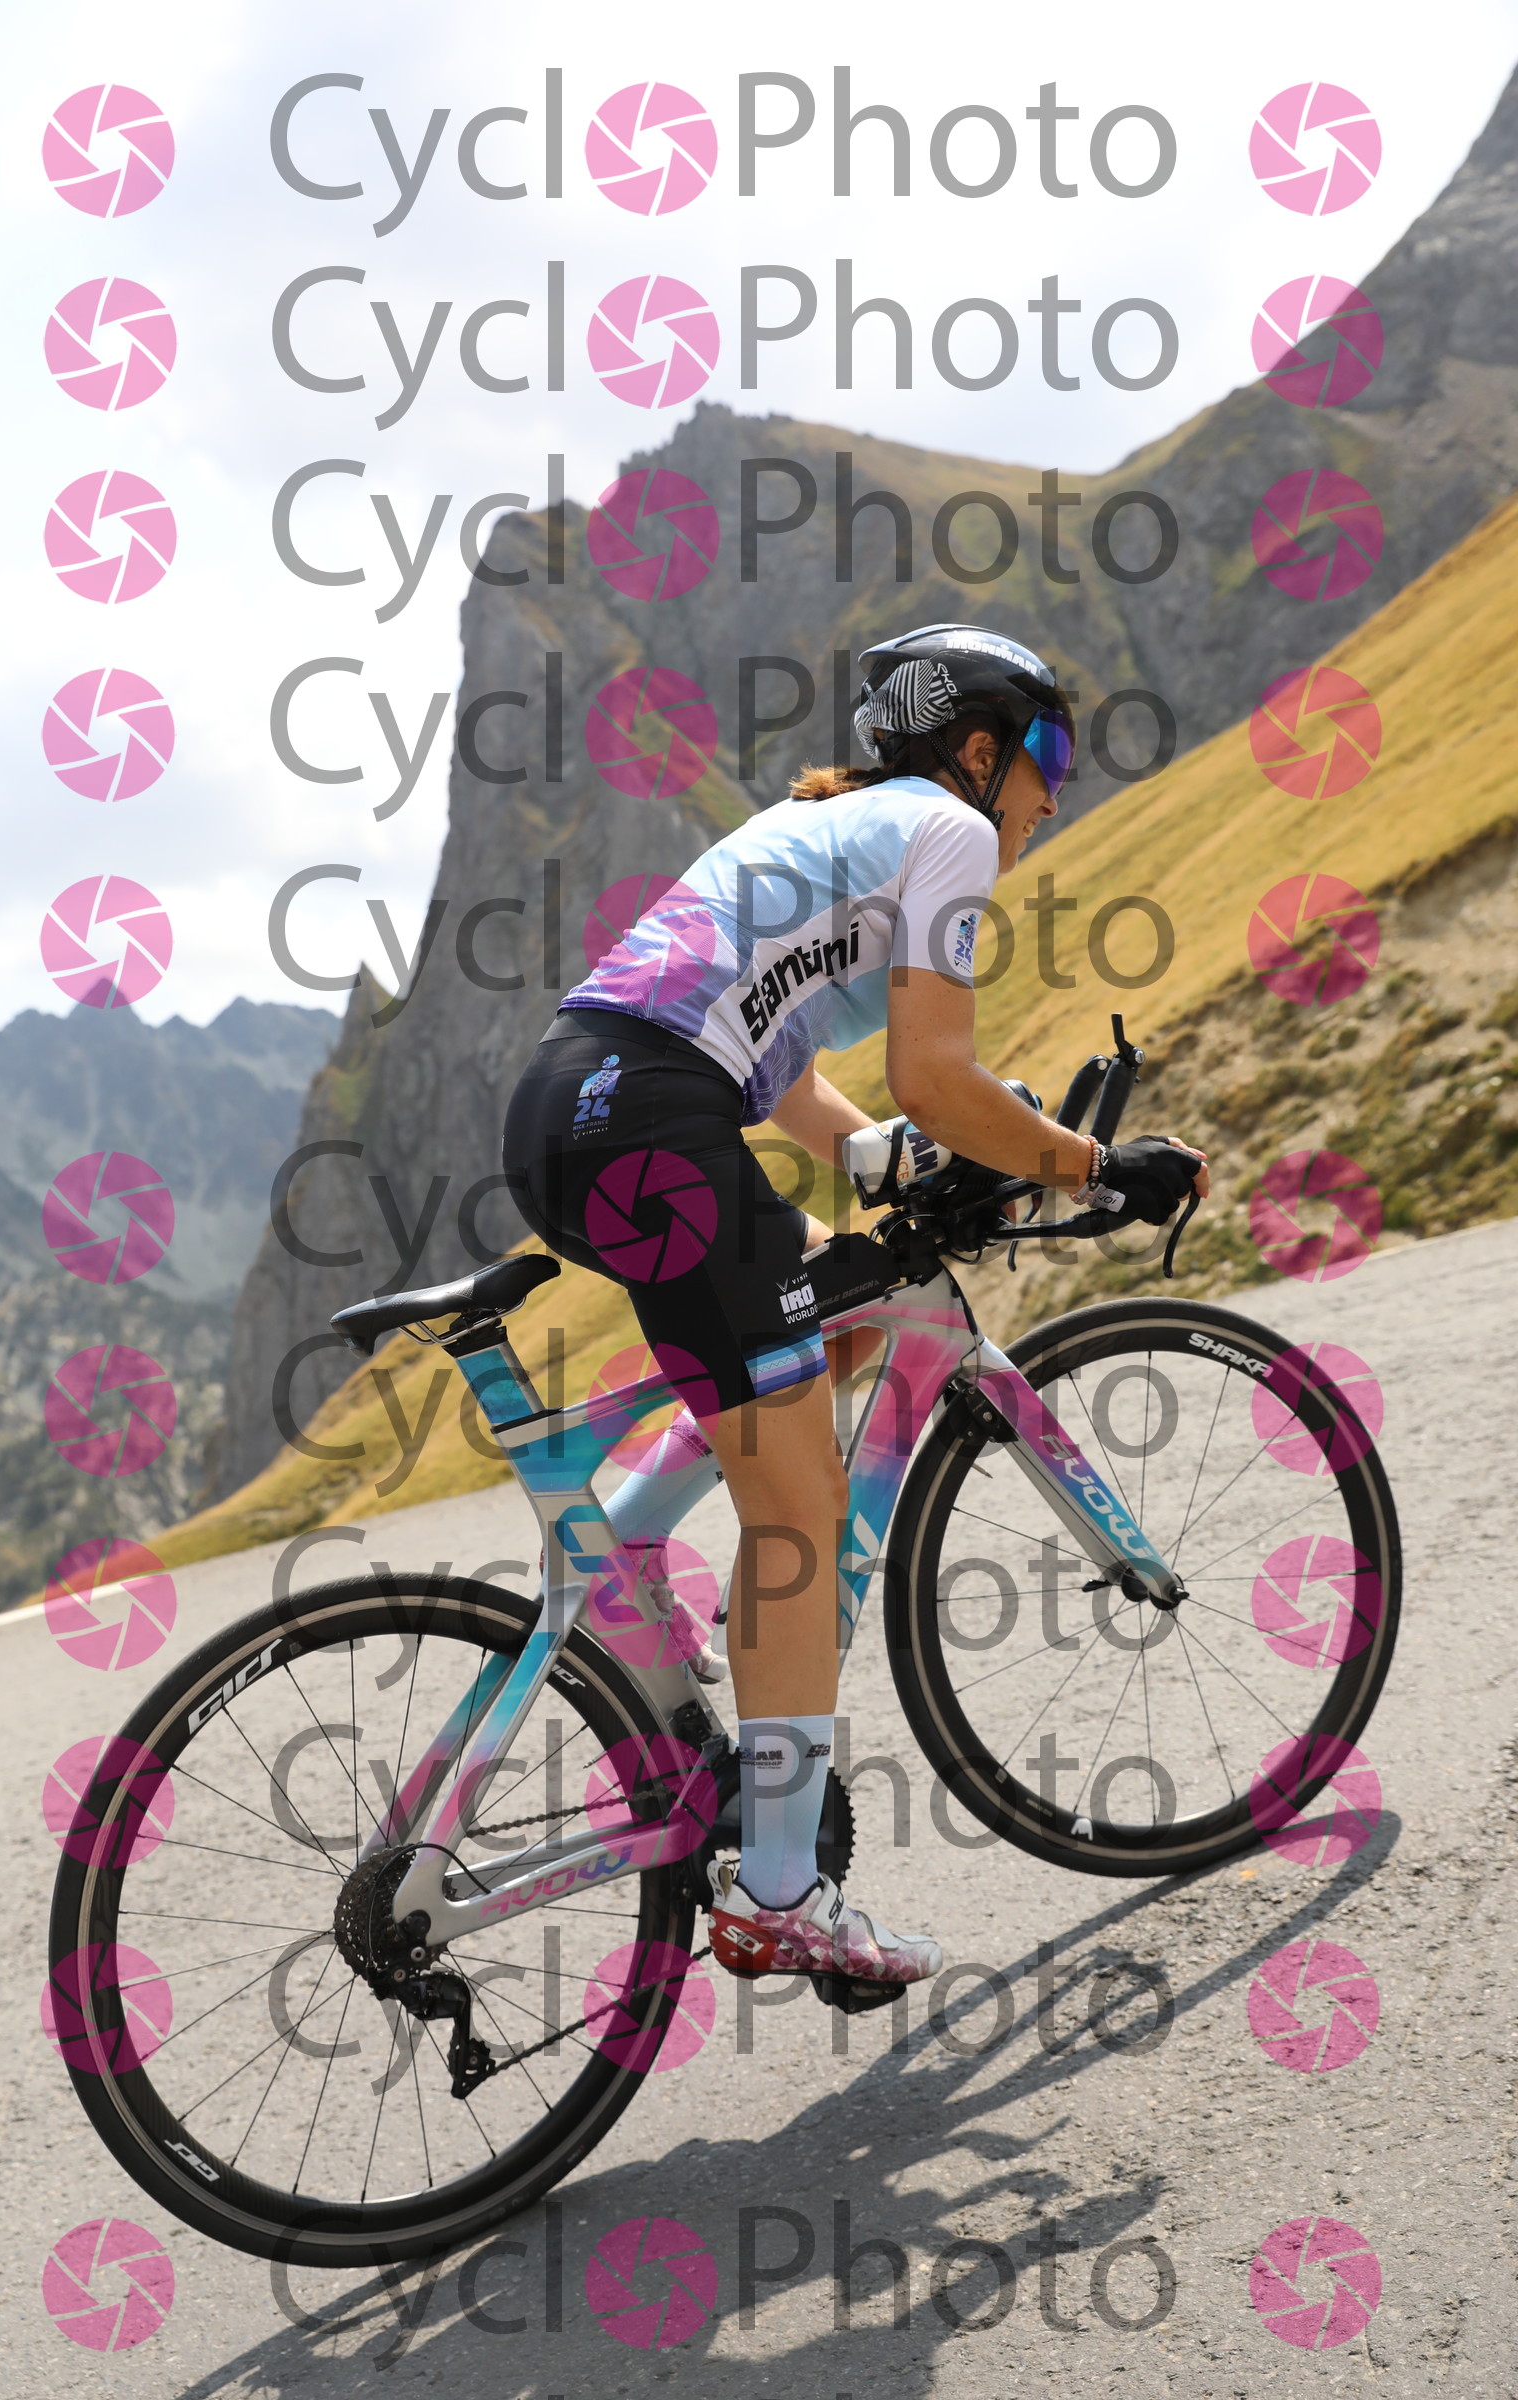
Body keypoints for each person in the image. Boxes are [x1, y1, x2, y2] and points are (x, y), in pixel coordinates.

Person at [503, 624, 1209, 1995]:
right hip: (650, 1122)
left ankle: (620, 1554)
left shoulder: (814, 830)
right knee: (800, 1518)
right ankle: (781, 1895)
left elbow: (765, 1058)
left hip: (574, 1104)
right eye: (1048, 758)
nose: (1053, 795)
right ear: (979, 750)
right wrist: (1089, 1164)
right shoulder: (948, 831)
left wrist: (885, 1157)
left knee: (853, 1300)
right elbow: (937, 1071)